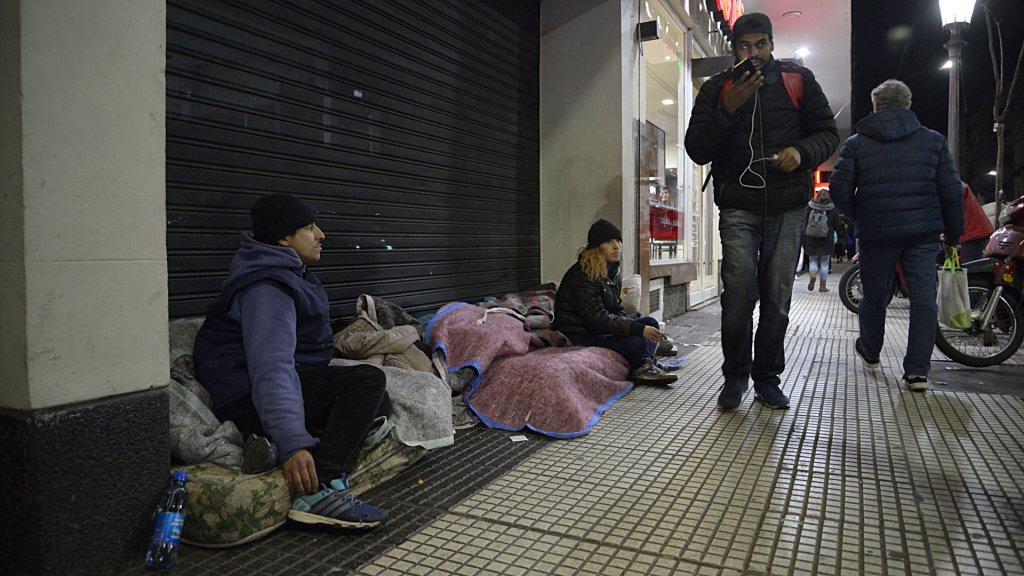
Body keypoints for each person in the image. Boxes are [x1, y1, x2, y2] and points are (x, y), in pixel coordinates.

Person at [193, 193, 392, 528]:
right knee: (366, 381)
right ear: (283, 238)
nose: (321, 234)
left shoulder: (288, 272)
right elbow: (271, 368)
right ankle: (320, 490)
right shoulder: (267, 289)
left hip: (270, 383)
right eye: (309, 227)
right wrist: (292, 443)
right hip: (244, 394)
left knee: (379, 402)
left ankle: (272, 443)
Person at [683, 12, 839, 411]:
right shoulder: (718, 87)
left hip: (787, 205)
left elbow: (826, 134)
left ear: (772, 44)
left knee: (777, 297)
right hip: (738, 203)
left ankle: (767, 378)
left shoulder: (797, 80)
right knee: (738, 294)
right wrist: (728, 109)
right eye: (744, 46)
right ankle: (734, 376)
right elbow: (698, 148)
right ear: (733, 48)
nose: (754, 54)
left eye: (761, 45)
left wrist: (801, 153)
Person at [829, 79, 963, 392]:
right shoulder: (932, 141)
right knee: (922, 300)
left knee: (875, 296)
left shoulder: (857, 144)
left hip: (877, 233)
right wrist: (954, 235)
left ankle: (872, 351)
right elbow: (951, 191)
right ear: (908, 105)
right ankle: (917, 371)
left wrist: (860, 214)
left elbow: (839, 190)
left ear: (875, 106)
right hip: (922, 234)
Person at [553, 219, 678, 385]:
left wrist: (636, 326)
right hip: (583, 335)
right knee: (637, 340)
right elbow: (598, 320)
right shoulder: (583, 274)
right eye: (608, 242)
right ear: (596, 246)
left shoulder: (611, 271)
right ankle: (644, 364)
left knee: (651, 322)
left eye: (618, 241)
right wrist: (636, 330)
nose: (616, 246)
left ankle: (645, 364)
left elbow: (617, 310)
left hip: (601, 330)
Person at [804, 189, 840, 292]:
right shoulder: (832, 208)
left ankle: (812, 276)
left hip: (811, 237)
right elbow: (837, 224)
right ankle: (822, 286)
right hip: (827, 238)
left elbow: (805, 221)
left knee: (813, 261)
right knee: (824, 263)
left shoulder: (810, 206)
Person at [960, 182, 994, 263]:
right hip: (976, 232)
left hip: (973, 234)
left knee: (972, 271)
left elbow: (952, 210)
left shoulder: (950, 184)